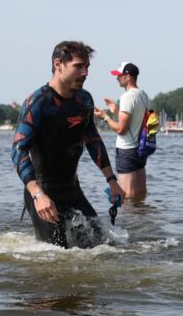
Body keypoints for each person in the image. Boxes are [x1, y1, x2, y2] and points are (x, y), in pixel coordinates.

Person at [12, 40, 125, 249]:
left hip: (73, 191)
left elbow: (93, 140)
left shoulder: (84, 100)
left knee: (103, 246)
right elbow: (18, 151)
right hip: (43, 193)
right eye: (78, 66)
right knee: (56, 255)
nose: (85, 73)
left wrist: (112, 181)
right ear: (58, 64)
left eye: (87, 67)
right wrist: (37, 194)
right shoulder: (38, 102)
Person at [98, 62, 151, 199]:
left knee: (126, 196)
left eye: (119, 75)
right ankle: (141, 212)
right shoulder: (143, 95)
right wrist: (116, 110)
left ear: (127, 77)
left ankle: (129, 214)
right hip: (141, 148)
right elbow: (134, 121)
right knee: (140, 193)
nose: (117, 78)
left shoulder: (127, 97)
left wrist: (105, 117)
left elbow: (121, 129)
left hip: (127, 150)